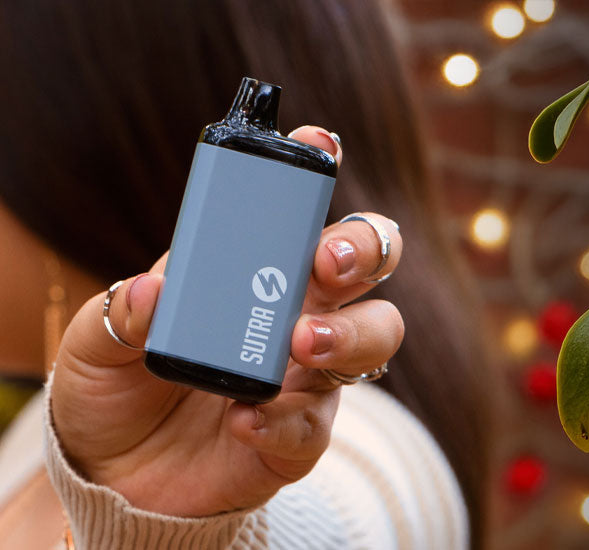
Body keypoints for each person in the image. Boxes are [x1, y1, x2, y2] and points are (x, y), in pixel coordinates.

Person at [0, 1, 493, 549]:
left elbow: (350, 524)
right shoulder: (49, 431)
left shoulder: (371, 453)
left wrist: (162, 522)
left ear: (70, 152)